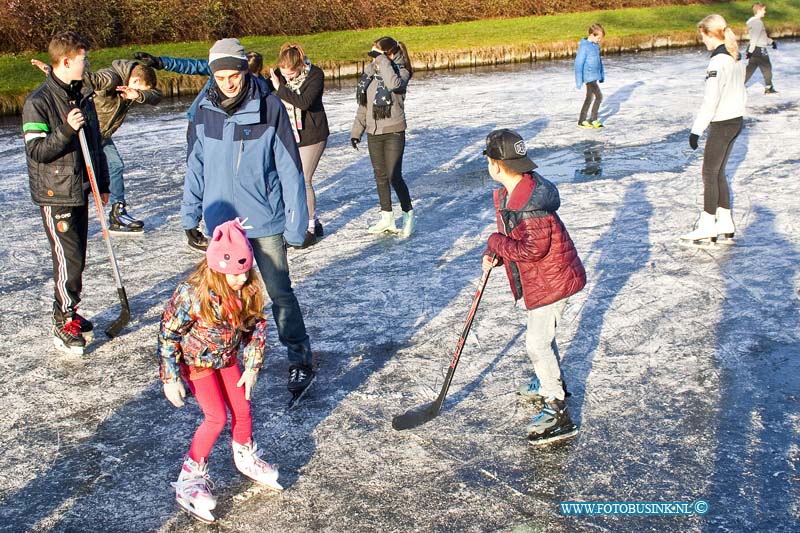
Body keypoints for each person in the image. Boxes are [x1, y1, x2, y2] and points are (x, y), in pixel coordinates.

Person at [182, 38, 316, 401]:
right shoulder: (204, 110)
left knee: (279, 292)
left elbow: (290, 168)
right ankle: (222, 360)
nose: (227, 82)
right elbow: (196, 164)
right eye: (221, 75)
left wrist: (296, 224)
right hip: (221, 223)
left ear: (245, 70)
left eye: (234, 74)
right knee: (223, 296)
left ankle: (300, 357)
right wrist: (189, 213)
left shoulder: (269, 107)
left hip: (264, 219)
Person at [158, 219, 283, 524]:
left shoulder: (248, 289)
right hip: (196, 362)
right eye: (234, 272)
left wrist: (252, 367)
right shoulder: (192, 293)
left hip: (226, 359)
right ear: (216, 267)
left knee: (243, 407)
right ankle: (191, 474)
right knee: (216, 417)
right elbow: (168, 333)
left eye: (244, 270)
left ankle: (245, 455)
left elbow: (255, 328)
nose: (241, 277)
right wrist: (171, 376)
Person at [481, 129, 586, 446]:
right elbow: (522, 242)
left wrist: (496, 242)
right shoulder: (521, 191)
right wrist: (499, 251)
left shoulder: (529, 204)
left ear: (496, 165)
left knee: (537, 345)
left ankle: (558, 409)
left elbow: (531, 250)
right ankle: (549, 380)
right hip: (544, 279)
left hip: (552, 282)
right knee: (542, 338)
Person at [22, 31, 110, 356]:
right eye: (83, 59)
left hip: (80, 189)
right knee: (68, 262)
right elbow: (37, 151)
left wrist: (102, 184)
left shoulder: (81, 96)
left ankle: (70, 309)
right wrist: (67, 130)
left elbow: (95, 145)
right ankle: (62, 320)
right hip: (55, 193)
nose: (87, 64)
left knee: (78, 259)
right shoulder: (38, 102)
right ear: (67, 61)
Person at [132, 49, 271, 250]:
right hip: (202, 122)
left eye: (237, 76)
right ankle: (198, 222)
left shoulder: (260, 88)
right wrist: (160, 62)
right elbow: (189, 65)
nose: (229, 83)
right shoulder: (219, 72)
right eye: (225, 76)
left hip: (234, 127)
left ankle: (232, 220)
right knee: (202, 171)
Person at [31, 57, 162, 234]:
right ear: (136, 80)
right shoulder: (112, 78)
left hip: (101, 135)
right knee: (97, 169)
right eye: (140, 89)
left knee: (113, 167)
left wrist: (138, 95)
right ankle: (81, 216)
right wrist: (53, 71)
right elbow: (89, 79)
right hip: (86, 133)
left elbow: (157, 96)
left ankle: (117, 212)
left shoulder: (132, 88)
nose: (138, 94)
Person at [681, 14, 746, 247]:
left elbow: (711, 101)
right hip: (736, 121)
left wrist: (696, 131)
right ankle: (725, 220)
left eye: (703, 36)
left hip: (722, 123)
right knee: (718, 172)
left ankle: (708, 223)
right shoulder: (734, 58)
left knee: (709, 173)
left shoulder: (717, 63)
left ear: (710, 34)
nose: (703, 41)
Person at [350, 36, 416, 238]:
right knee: (380, 176)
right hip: (373, 131)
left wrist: (382, 61)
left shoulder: (401, 72)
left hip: (394, 131)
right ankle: (387, 217)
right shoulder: (371, 74)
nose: (373, 60)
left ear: (390, 54)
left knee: (394, 175)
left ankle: (408, 214)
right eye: (372, 56)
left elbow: (393, 84)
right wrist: (356, 131)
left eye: (377, 55)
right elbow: (364, 105)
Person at [270, 42, 330, 248]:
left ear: (301, 65)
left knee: (303, 179)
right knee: (289, 179)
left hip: (314, 134)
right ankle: (310, 222)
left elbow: (304, 102)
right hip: (291, 134)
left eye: (292, 75)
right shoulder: (279, 76)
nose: (288, 79)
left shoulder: (315, 75)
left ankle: (310, 227)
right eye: (284, 75)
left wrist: (280, 88)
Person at [574, 23, 606, 129]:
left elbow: (599, 62)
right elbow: (578, 63)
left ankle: (582, 120)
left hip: (594, 76)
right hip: (588, 77)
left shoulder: (595, 46)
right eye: (598, 38)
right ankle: (593, 119)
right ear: (592, 35)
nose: (599, 40)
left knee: (589, 98)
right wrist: (579, 81)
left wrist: (601, 75)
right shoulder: (584, 47)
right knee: (599, 97)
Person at [745, 2, 778, 94]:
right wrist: (750, 51)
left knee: (750, 69)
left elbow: (761, 37)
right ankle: (769, 88)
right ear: (759, 11)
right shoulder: (757, 23)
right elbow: (755, 38)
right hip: (759, 49)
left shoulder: (753, 22)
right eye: (764, 10)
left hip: (754, 48)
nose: (765, 12)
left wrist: (771, 42)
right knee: (767, 68)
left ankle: (738, 86)